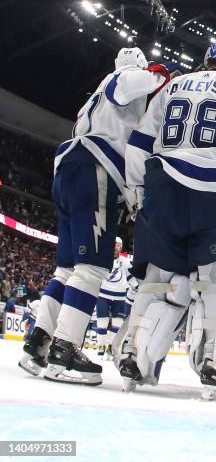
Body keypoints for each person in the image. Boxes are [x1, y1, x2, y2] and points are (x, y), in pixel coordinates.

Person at [120, 32, 216, 395]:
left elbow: (139, 143)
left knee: (160, 277)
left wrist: (137, 193)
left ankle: (136, 354)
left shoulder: (173, 87)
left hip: (163, 184)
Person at [19, 47, 171, 384]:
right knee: (91, 269)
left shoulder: (95, 99)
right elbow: (130, 84)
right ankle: (65, 350)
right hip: (95, 169)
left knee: (67, 269)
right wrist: (161, 73)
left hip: (69, 169)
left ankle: (39, 340)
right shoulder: (121, 79)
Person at [96, 237, 130, 358]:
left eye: (118, 245)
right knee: (102, 321)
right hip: (103, 294)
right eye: (114, 244)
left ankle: (110, 346)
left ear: (121, 248)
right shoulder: (102, 258)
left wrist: (136, 286)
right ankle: (101, 344)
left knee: (118, 323)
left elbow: (131, 276)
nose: (116, 247)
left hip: (120, 296)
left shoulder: (125, 261)